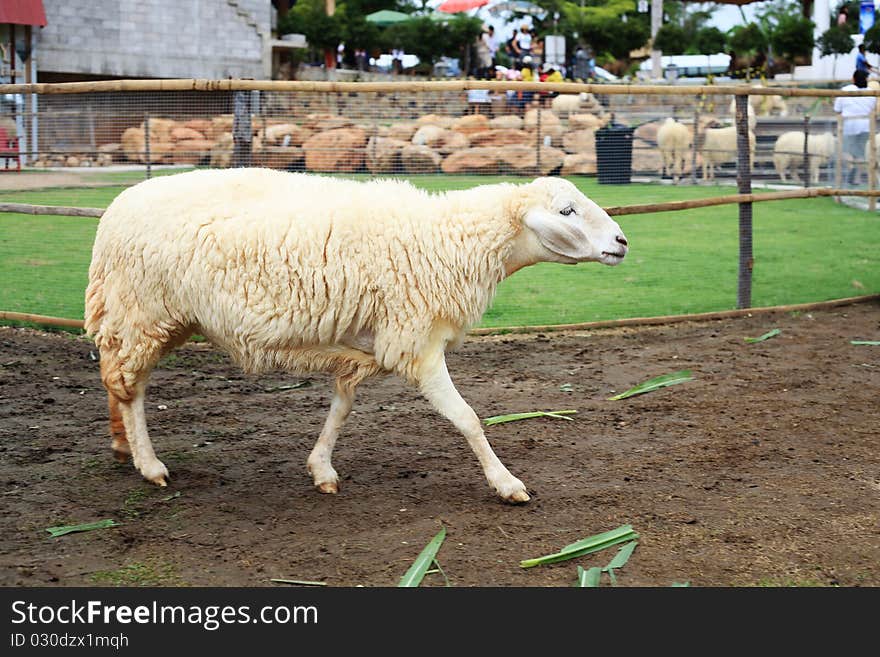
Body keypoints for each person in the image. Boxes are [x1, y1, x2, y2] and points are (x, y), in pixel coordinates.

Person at [834, 68, 877, 185]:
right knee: (861, 153)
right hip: (866, 126)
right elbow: (872, 109)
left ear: (853, 79)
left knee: (846, 150)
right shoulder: (872, 93)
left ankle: (851, 166)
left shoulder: (845, 90)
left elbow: (837, 110)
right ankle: (857, 178)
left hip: (848, 126)